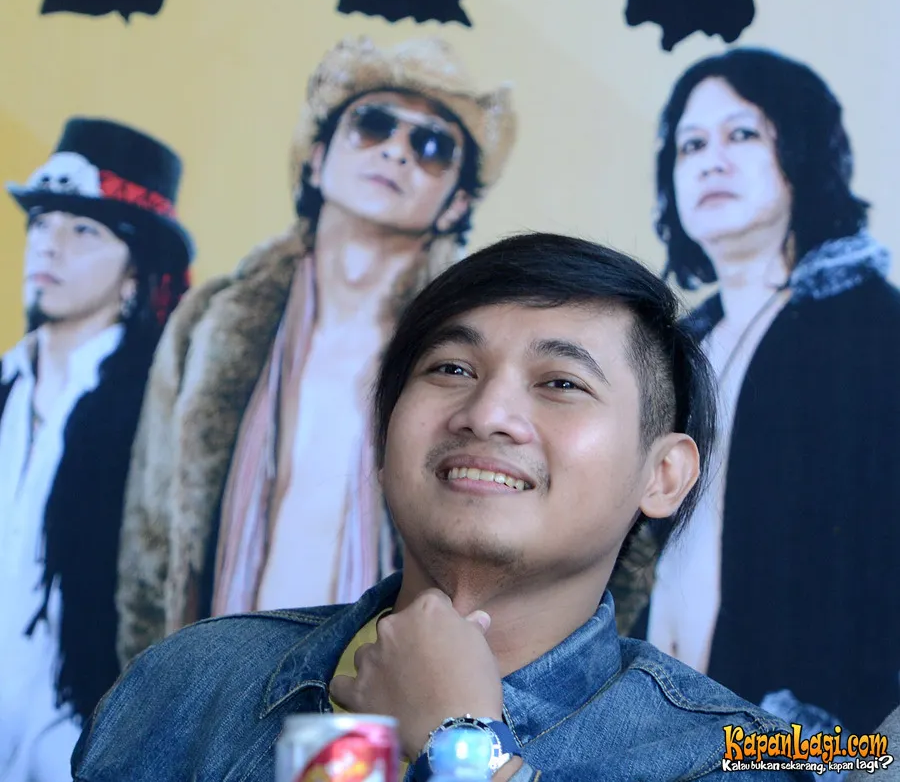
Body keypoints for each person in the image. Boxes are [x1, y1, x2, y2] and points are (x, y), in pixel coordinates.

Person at [73, 233, 805, 782]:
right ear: (385, 438)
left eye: (560, 383)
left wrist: (459, 747)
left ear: (664, 475)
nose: (487, 414)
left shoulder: (732, 759)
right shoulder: (188, 680)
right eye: (451, 369)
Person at [116, 35, 516, 665]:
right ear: (316, 157)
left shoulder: (476, 350)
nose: (396, 151)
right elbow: (150, 540)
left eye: (432, 145)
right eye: (373, 124)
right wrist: (150, 690)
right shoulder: (212, 321)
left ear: (457, 204)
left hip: (387, 692)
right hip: (214, 682)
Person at [642, 47, 900, 730]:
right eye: (691, 145)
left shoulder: (876, 331)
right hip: (663, 722)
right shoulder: (675, 349)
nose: (711, 161)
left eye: (742, 134)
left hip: (808, 744)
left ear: (803, 153)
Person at [0, 118, 192, 782]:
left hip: (80, 732)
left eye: (84, 229)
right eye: (42, 222)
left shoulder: (158, 412)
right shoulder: (6, 384)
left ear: (136, 269)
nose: (49, 244)